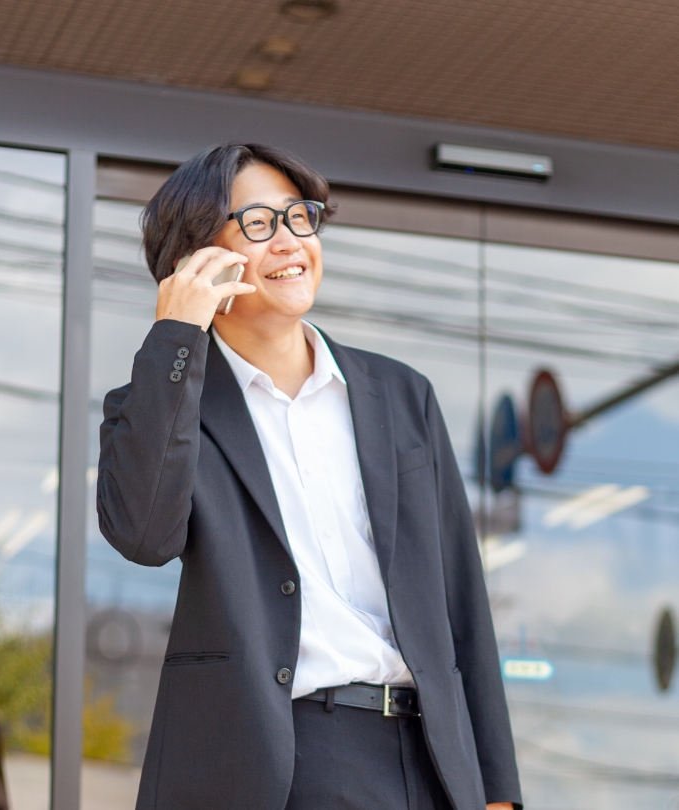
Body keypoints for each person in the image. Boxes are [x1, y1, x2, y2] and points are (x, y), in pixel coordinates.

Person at [97, 143, 522, 810]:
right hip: (282, 761)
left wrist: (496, 791)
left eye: (299, 217)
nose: (292, 241)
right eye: (258, 225)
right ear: (199, 261)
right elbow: (145, 535)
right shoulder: (164, 406)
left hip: (430, 761)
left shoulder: (401, 396)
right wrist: (176, 335)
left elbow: (461, 601)